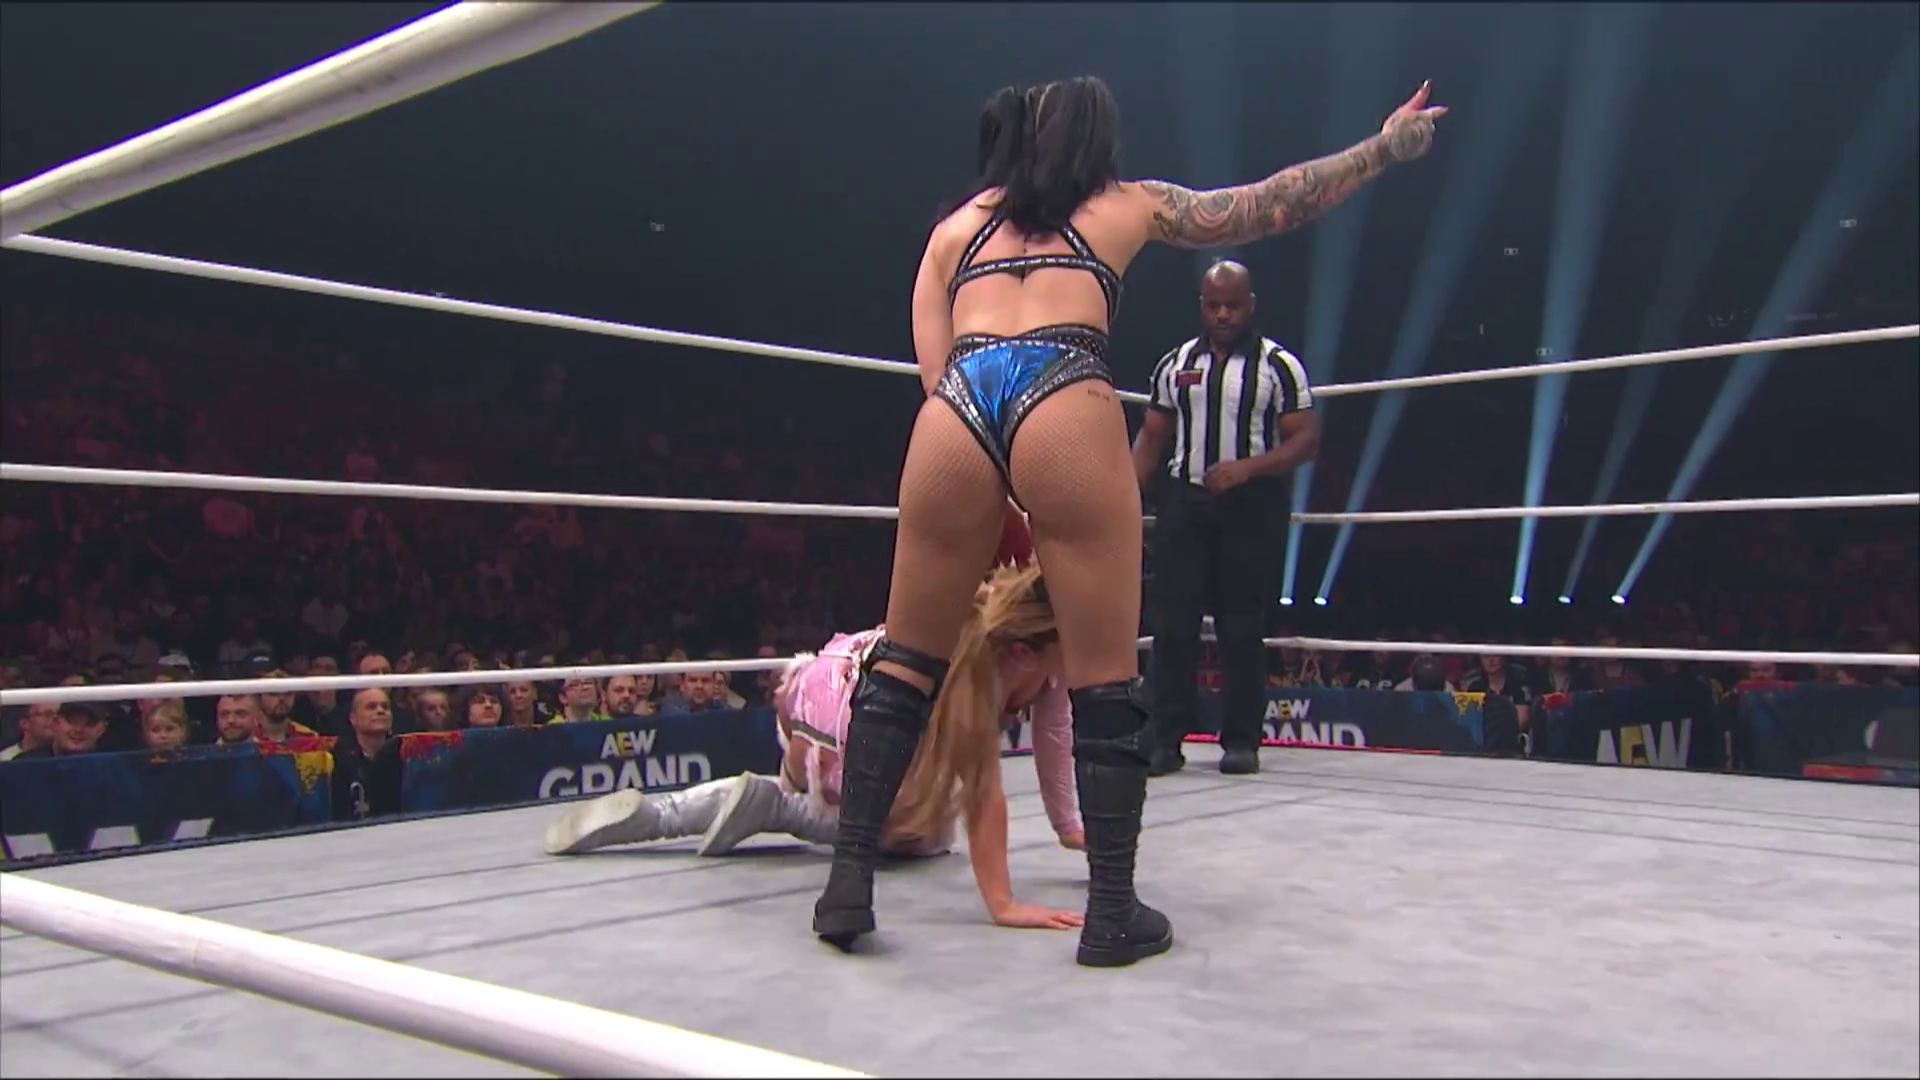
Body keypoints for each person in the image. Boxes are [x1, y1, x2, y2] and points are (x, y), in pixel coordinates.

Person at [815, 75, 1446, 966]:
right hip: (1062, 389)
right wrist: (1384, 148)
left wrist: (983, 460)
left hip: (957, 406)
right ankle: (1112, 911)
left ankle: (847, 885)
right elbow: (1267, 204)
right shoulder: (1123, 204)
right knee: (1103, 674)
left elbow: (933, 369)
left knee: (907, 663)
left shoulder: (955, 230)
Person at [543, 561, 1087, 931]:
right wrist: (1004, 904)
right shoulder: (978, 673)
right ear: (1026, 652)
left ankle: (666, 812)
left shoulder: (1005, 630)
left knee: (911, 797)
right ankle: (782, 808)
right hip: (851, 733)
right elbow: (984, 793)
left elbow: (1054, 730)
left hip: (818, 689)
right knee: (926, 835)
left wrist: (1069, 828)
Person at [1135, 260, 1319, 778]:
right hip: (1184, 502)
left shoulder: (1278, 365)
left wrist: (1249, 468)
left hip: (1251, 506)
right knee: (1173, 624)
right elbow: (1153, 436)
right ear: (1202, 305)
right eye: (1214, 305)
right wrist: (1126, 498)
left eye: (1232, 305)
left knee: (1241, 625)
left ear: (1250, 305)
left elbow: (1306, 440)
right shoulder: (1176, 363)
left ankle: (1241, 740)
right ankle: (1165, 739)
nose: (1223, 314)